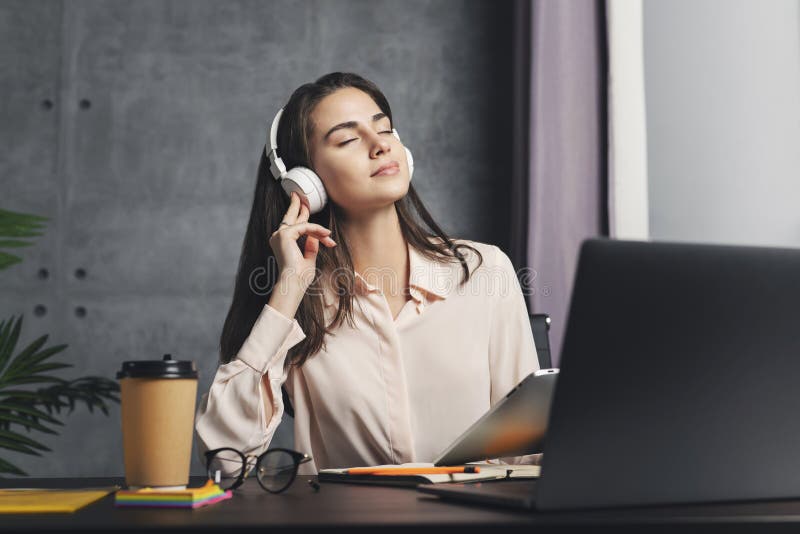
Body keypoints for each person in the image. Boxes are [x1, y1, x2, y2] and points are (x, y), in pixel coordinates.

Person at [195, 72, 539, 475]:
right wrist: (288, 289)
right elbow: (226, 457)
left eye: (384, 129)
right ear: (304, 183)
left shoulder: (483, 271)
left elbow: (529, 454)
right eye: (348, 139)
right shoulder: (301, 304)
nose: (379, 145)